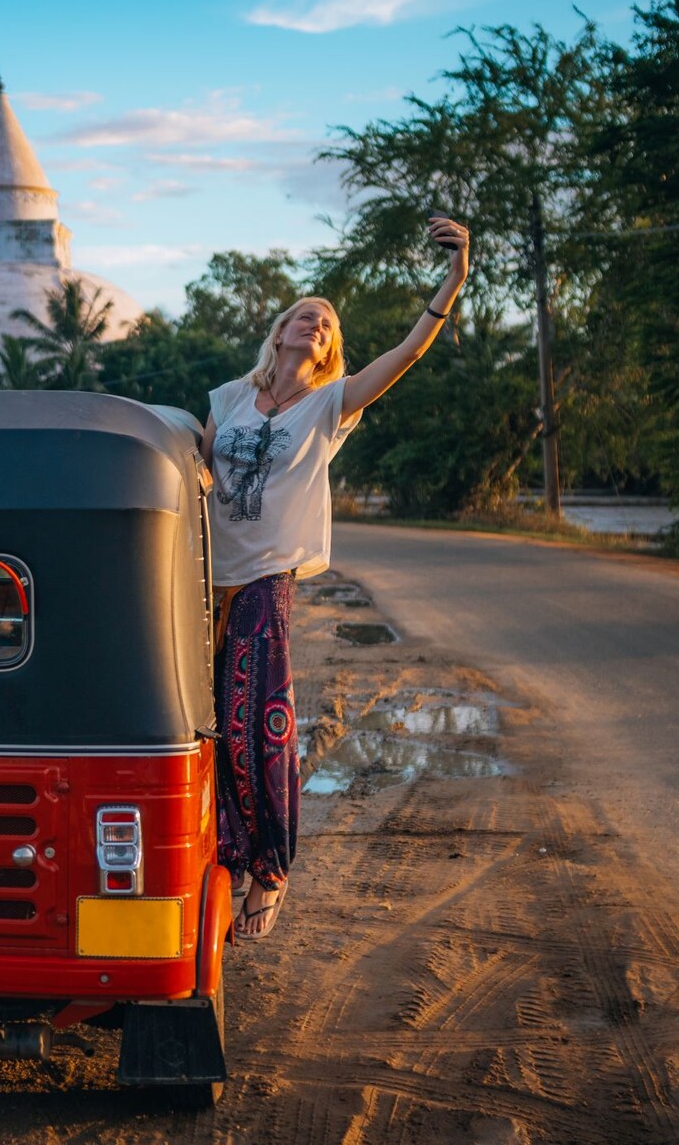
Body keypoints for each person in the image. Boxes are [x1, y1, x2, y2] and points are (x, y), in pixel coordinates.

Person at [200, 214, 471, 939]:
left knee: (257, 725)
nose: (316, 325)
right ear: (281, 331)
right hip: (206, 585)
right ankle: (227, 857)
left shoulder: (329, 404)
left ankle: (271, 869)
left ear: (328, 348)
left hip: (265, 581)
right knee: (207, 726)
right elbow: (198, 474)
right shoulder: (227, 398)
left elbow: (407, 354)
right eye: (306, 316)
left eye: (327, 325)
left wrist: (454, 278)